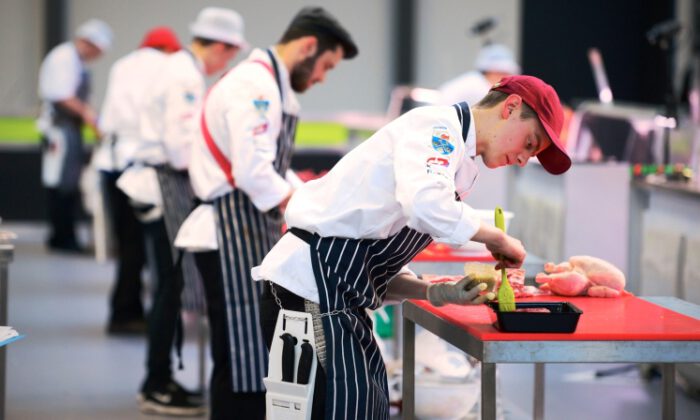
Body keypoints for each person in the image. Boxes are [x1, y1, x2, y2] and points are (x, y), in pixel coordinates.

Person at [252, 75, 571, 419]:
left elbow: (367, 259)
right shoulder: (438, 129)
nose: (524, 160)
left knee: (370, 406)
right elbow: (424, 206)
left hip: (335, 295)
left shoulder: (459, 161)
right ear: (511, 107)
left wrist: (437, 292)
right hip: (308, 290)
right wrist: (494, 236)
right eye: (529, 143)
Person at [183, 7, 357, 419]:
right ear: (308, 46)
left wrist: (314, 193)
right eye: (326, 67)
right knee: (242, 363)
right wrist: (312, 212)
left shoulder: (266, 83)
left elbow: (270, 169)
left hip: (241, 228)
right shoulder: (255, 86)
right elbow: (254, 170)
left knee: (246, 358)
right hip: (229, 233)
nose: (321, 78)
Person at [134, 7, 246, 417]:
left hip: (168, 184)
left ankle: (160, 378)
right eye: (229, 54)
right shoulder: (183, 75)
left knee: (170, 285)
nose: (227, 63)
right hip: (170, 185)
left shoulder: (182, 69)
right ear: (219, 45)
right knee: (171, 286)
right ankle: (156, 383)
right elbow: (181, 149)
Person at [94, 27, 181, 335]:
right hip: (142, 165)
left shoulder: (122, 64)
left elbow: (105, 121)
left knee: (127, 246)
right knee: (152, 250)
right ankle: (129, 313)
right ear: (170, 49)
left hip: (111, 162)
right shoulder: (170, 67)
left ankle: (125, 309)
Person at [37, 19, 113, 252]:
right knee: (61, 184)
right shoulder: (64, 58)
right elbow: (62, 96)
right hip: (60, 129)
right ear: (88, 43)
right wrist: (90, 117)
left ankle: (65, 235)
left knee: (68, 183)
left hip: (71, 129)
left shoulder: (76, 61)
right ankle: (62, 238)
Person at [438, 43, 520, 106]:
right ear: (492, 71)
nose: (506, 78)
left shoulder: (474, 80)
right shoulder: (479, 86)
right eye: (503, 73)